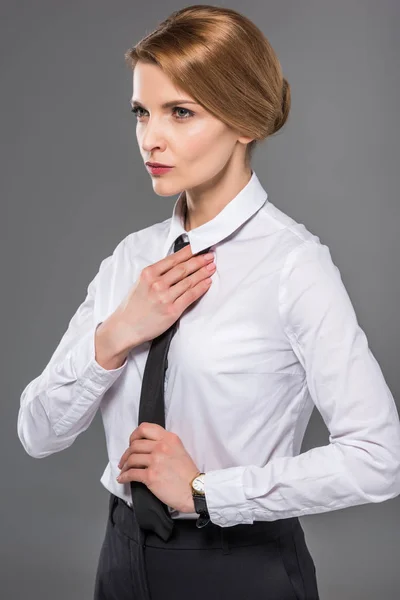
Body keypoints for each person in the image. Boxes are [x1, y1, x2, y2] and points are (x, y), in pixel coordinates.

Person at [17, 5, 400, 600]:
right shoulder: (130, 260)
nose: (151, 137)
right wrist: (116, 335)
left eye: (181, 113)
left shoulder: (293, 265)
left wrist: (206, 491)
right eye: (142, 112)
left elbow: (380, 457)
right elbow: (37, 434)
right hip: (119, 559)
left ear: (244, 121)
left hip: (237, 567)